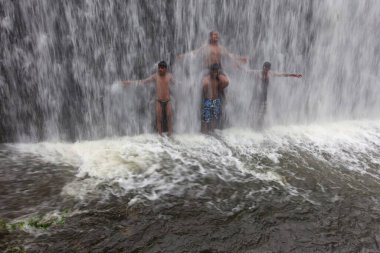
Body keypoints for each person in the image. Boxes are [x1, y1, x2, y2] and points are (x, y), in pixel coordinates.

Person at [123, 61, 175, 136]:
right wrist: (129, 82)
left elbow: (177, 83)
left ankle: (170, 134)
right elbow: (143, 81)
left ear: (166, 69)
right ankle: (160, 135)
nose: (160, 69)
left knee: (169, 117)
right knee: (158, 118)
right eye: (159, 67)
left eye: (162, 68)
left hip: (167, 101)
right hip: (158, 101)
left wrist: (188, 84)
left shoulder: (169, 76)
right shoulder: (155, 76)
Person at [248, 61, 302, 127]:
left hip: (264, 94)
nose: (265, 70)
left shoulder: (270, 74)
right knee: (253, 107)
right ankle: (251, 122)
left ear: (269, 69)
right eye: (265, 68)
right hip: (256, 93)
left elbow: (284, 75)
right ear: (263, 67)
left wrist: (295, 75)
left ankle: (259, 123)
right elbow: (247, 71)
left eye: (267, 69)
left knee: (263, 109)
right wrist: (238, 66)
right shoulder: (258, 73)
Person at [201, 63, 229, 133]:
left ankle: (212, 132)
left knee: (214, 119)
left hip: (216, 101)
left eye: (216, 71)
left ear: (218, 72)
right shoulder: (207, 80)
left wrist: (224, 100)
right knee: (206, 119)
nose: (214, 73)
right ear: (210, 71)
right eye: (213, 71)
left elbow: (222, 90)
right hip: (208, 101)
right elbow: (203, 90)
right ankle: (204, 133)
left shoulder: (218, 80)